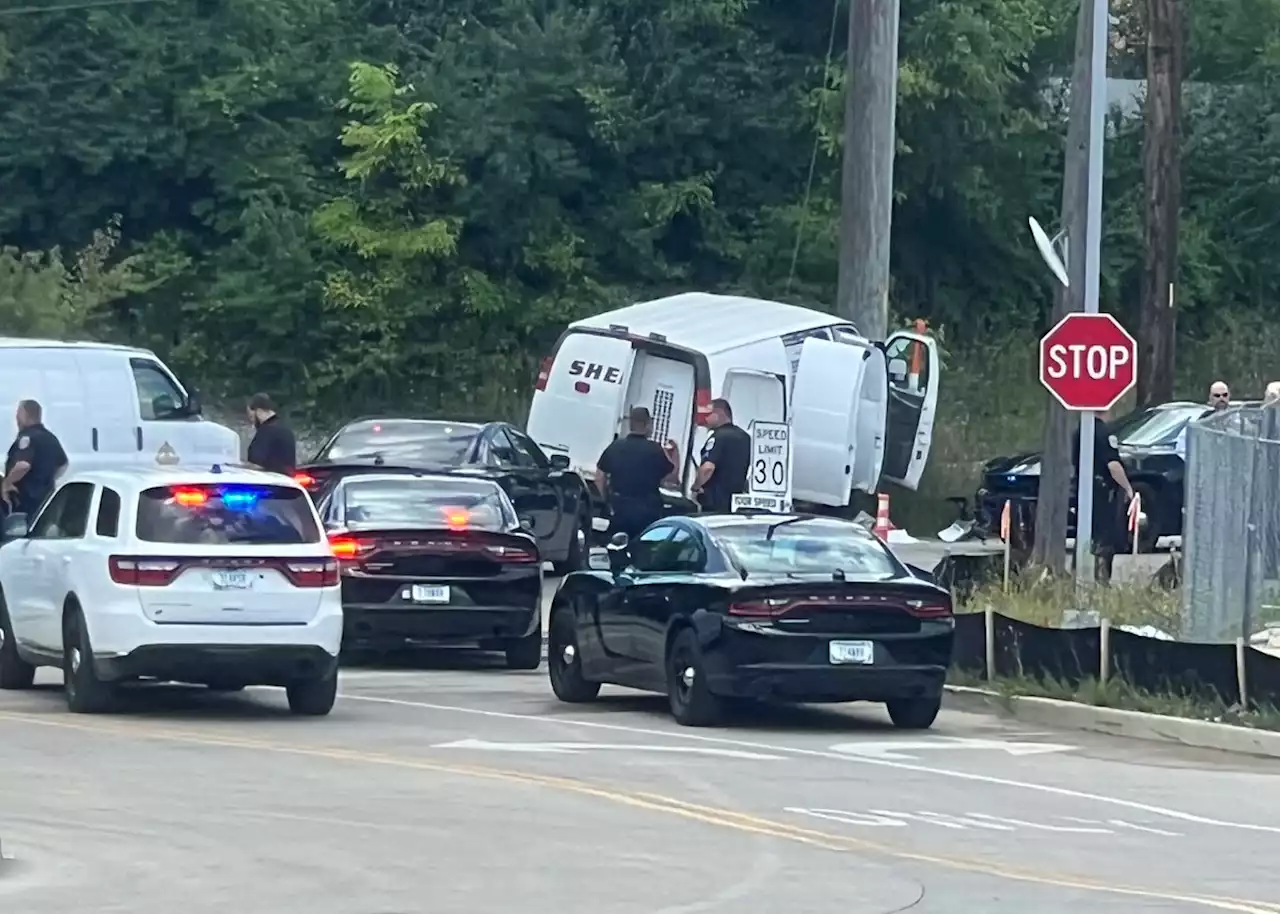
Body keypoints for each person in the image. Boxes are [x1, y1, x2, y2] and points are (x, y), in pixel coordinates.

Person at [595, 407, 680, 540]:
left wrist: (606, 501)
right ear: (647, 424)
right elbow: (671, 478)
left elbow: (599, 477)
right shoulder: (655, 450)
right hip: (646, 510)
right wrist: (675, 454)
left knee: (616, 543)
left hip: (619, 507)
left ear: (630, 424)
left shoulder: (616, 446)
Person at [1072, 411, 1134, 585]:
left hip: (1083, 489)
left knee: (1085, 534)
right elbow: (1113, 464)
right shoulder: (1104, 433)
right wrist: (1128, 488)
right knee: (1105, 537)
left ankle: (1080, 577)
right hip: (1103, 491)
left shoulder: (1080, 431)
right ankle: (1102, 580)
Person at [2, 399, 69, 518]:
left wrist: (7, 483)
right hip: (45, 498)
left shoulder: (27, 437)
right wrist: (46, 479)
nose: (16, 419)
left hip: (26, 500)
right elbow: (63, 464)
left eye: (18, 414)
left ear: (25, 415)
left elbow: (23, 465)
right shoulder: (50, 438)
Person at [692, 398, 751, 513]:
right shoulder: (745, 437)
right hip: (735, 501)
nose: (705, 419)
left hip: (714, 500)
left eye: (708, 415)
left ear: (718, 413)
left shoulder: (718, 437)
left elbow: (708, 468)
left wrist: (696, 486)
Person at [1175, 380, 1230, 461]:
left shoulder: (1239, 421)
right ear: (1210, 398)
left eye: (1224, 395)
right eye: (1217, 396)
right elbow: (1181, 446)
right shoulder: (1199, 421)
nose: (1221, 398)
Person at [245, 393, 297, 475]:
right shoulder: (286, 428)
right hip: (287, 483)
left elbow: (255, 464)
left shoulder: (266, 432)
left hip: (267, 483)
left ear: (258, 411)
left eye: (251, 417)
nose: (252, 421)